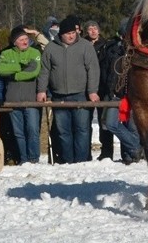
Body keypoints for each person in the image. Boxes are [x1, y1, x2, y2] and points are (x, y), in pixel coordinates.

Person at [36, 16, 100, 163]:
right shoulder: (51, 48)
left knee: (82, 130)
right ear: (61, 34)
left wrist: (92, 91)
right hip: (59, 96)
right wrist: (41, 90)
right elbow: (45, 71)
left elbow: (93, 70)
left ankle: (81, 160)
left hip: (81, 94)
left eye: (73, 32)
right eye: (67, 33)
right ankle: (67, 160)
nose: (71, 36)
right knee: (63, 131)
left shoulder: (85, 46)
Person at [0, 27, 43, 164]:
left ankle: (33, 159)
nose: (24, 41)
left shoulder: (34, 52)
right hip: (13, 99)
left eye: (26, 39)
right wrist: (21, 67)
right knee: (18, 132)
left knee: (33, 130)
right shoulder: (6, 53)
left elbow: (33, 70)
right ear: (14, 42)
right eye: (21, 39)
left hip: (31, 99)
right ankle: (23, 159)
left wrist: (13, 74)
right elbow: (1, 69)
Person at [98, 19, 141, 163]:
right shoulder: (111, 49)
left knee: (132, 127)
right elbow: (105, 72)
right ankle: (136, 147)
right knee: (111, 123)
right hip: (115, 93)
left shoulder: (140, 51)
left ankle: (130, 155)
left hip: (134, 95)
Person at [82, 20, 113, 160]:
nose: (93, 31)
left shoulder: (106, 45)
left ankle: (106, 151)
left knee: (103, 121)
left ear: (99, 30)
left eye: (95, 28)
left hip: (102, 86)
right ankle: (84, 151)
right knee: (85, 122)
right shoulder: (82, 45)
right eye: (90, 29)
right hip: (85, 87)